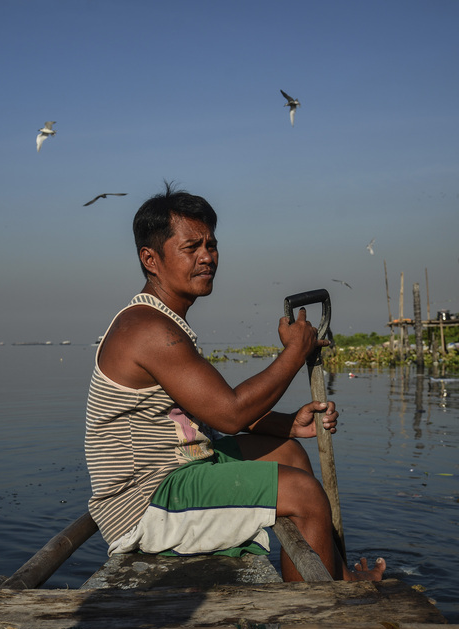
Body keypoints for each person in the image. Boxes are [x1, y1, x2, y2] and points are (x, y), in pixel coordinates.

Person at [85, 184, 385, 582]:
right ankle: (311, 619)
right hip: (146, 504)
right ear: (150, 259)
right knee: (305, 495)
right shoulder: (147, 328)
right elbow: (229, 414)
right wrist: (296, 352)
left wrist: (286, 424)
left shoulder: (164, 321)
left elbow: (206, 407)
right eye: (191, 247)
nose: (208, 257)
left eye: (211, 244)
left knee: (289, 453)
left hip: (179, 471)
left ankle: (338, 577)